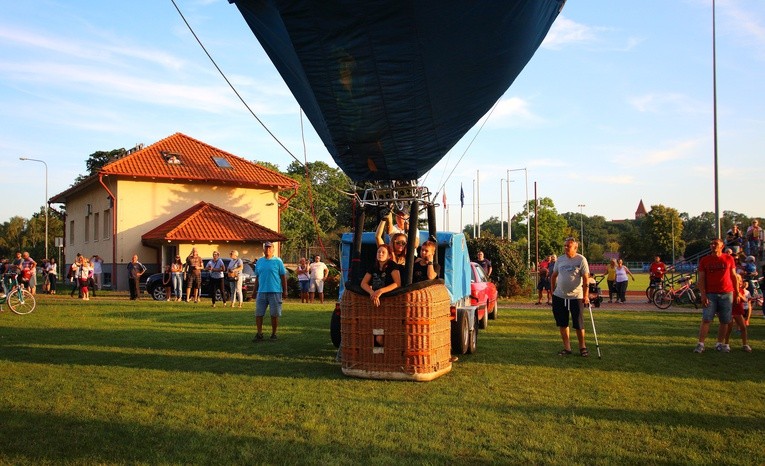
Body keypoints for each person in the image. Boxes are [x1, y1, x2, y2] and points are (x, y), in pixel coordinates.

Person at [694, 238, 738, 353]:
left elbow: (733, 276)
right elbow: (701, 279)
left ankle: (719, 343)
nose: (713, 246)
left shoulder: (729, 259)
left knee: (725, 320)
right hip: (711, 294)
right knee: (706, 319)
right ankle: (701, 344)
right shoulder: (705, 260)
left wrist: (737, 293)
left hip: (726, 293)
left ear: (722, 246)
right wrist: (703, 295)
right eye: (711, 244)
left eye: (716, 244)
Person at [550, 237, 591, 357]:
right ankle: (567, 348)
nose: (566, 248)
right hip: (560, 296)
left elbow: (585, 278)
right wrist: (553, 291)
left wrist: (586, 295)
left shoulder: (581, 260)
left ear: (575, 247)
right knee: (563, 323)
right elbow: (553, 276)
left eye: (569, 246)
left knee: (578, 324)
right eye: (565, 245)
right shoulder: (560, 260)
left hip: (576, 296)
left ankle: (582, 347)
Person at [360, 244, 401, 346]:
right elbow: (363, 283)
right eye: (378, 252)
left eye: (383, 252)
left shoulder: (392, 266)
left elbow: (397, 283)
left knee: (384, 331)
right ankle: (378, 353)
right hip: (376, 302)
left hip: (390, 302)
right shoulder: (374, 266)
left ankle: (388, 351)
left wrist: (381, 291)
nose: (380, 254)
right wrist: (372, 293)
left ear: (389, 256)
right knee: (376, 330)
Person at [253, 242, 288, 341]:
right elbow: (257, 277)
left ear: (273, 250)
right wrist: (254, 291)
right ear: (263, 250)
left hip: (275, 291)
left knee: (274, 314)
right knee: (258, 314)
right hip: (261, 292)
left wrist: (285, 290)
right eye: (266, 248)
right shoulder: (260, 261)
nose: (267, 250)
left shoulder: (278, 261)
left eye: (269, 248)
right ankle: (259, 333)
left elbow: (283, 276)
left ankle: (274, 333)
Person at [724, 273, 752, 352]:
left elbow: (744, 300)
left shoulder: (741, 290)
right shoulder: (729, 289)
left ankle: (745, 344)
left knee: (743, 327)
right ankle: (726, 344)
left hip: (738, 310)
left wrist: (739, 295)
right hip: (730, 310)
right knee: (729, 328)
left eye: (738, 280)